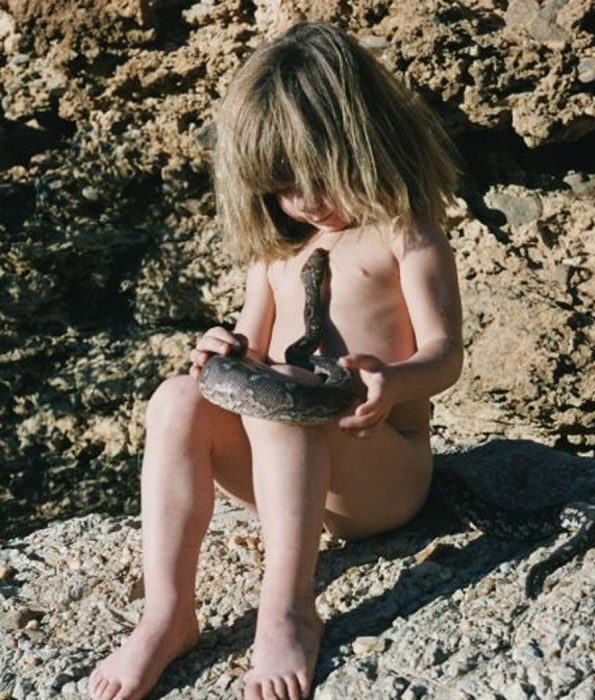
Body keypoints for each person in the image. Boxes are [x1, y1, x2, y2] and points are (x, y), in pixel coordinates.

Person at [88, 21, 463, 700]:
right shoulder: (275, 258)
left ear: (366, 143)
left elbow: (445, 355)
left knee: (281, 395)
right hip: (283, 476)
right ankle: (168, 613)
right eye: (284, 186)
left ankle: (287, 608)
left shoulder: (405, 235)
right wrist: (222, 353)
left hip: (376, 471)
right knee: (177, 396)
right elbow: (250, 352)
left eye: (321, 176)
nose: (306, 202)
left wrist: (393, 380)